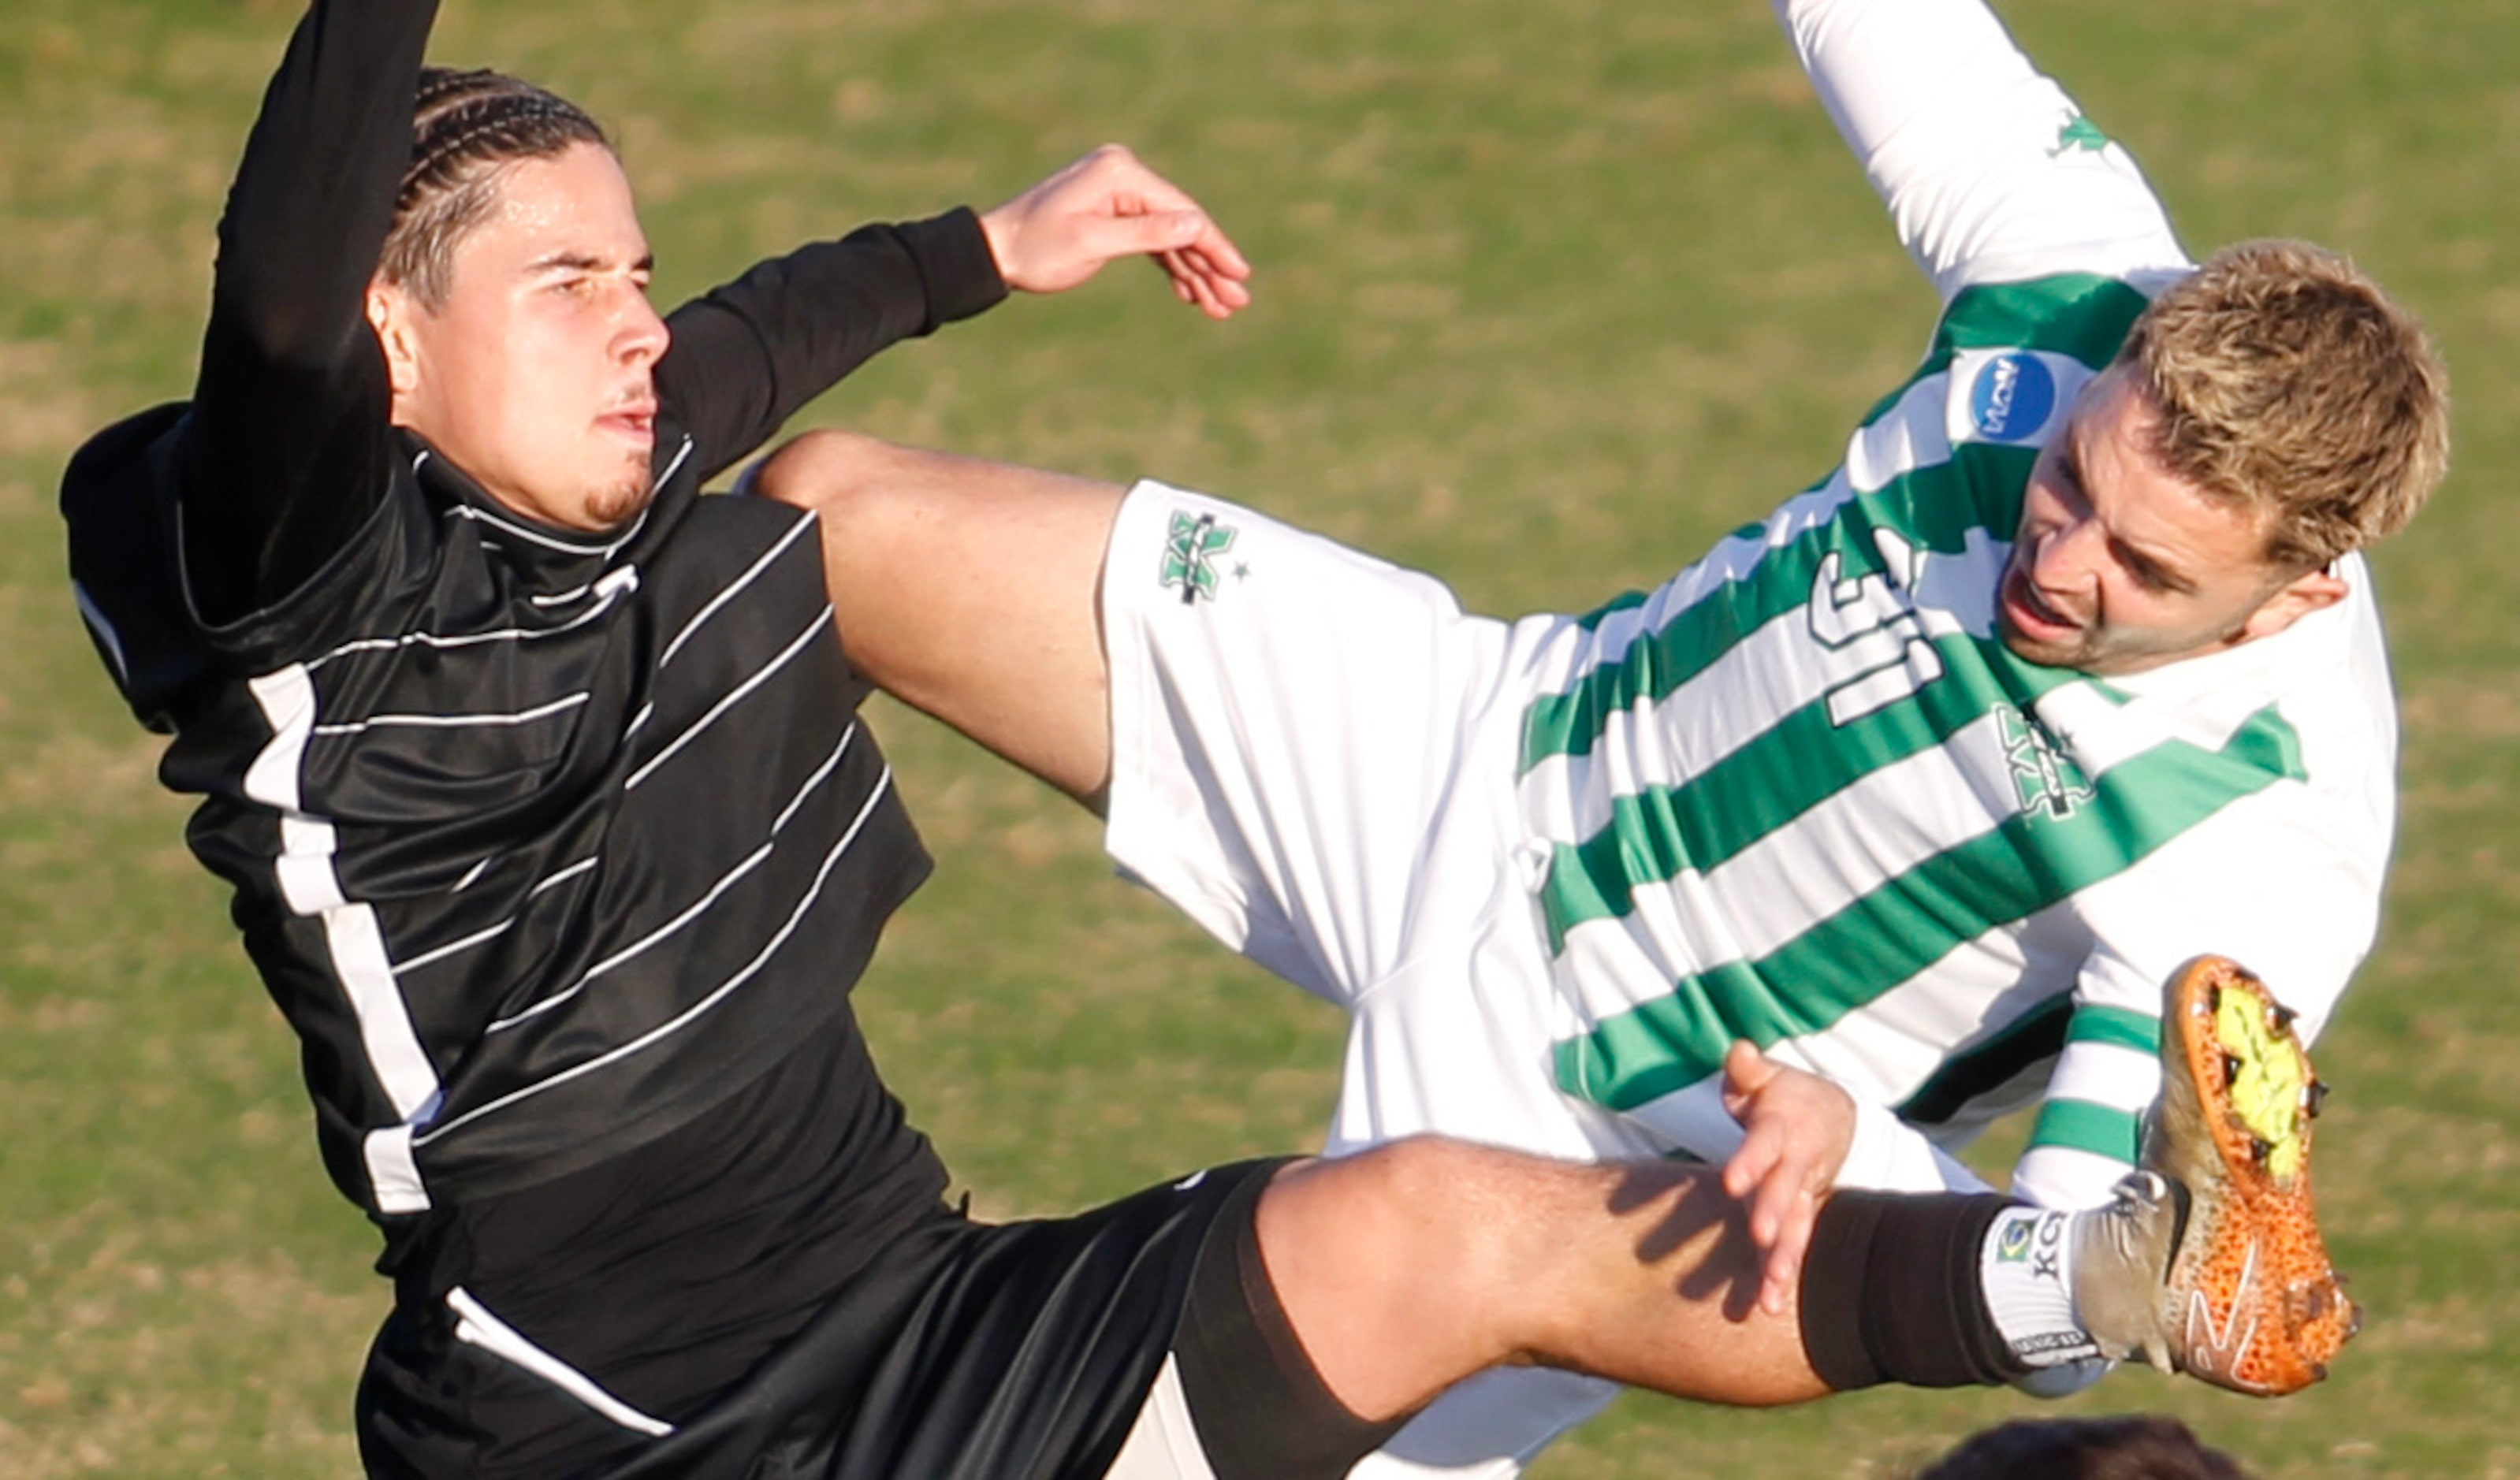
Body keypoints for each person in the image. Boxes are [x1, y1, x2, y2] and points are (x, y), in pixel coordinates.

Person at [54, 1, 2313, 1476]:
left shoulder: (606, 467)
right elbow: (268, 291)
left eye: (639, 271)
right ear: (382, 336)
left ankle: (2081, 1275)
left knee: (1446, 1219)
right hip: (598, 1416)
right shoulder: (295, 579)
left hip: (924, 1308)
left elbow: (757, 344)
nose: (642, 326)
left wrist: (983, 247)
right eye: (572, 286)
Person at [747, 0, 2445, 1471]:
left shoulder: (2270, 849)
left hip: (1626, 1142)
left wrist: (1859, 1151)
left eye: (2144, 568)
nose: (2053, 560)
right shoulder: (2073, 270)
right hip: (1478, 743)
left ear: (2298, 597)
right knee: (821, 527)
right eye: (2070, 476)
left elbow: (2085, 1285)